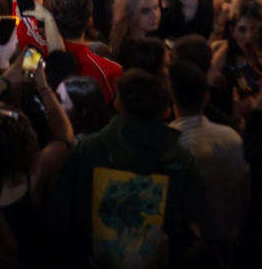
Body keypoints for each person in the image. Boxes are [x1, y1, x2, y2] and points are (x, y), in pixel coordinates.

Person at [44, 69, 208, 269]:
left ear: (117, 104)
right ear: (166, 111)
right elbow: (200, 223)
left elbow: (59, 215)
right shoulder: (181, 160)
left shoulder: (89, 150)